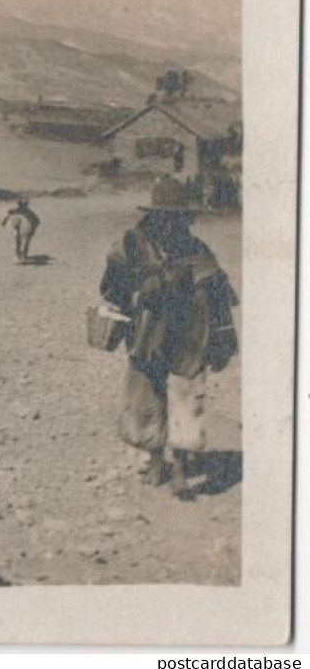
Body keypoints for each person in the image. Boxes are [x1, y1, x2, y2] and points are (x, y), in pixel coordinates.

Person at [98, 177, 238, 499]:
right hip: (146, 335)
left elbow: (219, 297)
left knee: (188, 398)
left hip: (190, 336)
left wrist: (223, 340)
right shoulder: (131, 246)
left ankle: (179, 468)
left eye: (178, 216)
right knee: (147, 396)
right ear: (154, 215)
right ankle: (157, 459)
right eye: (165, 215)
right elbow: (110, 288)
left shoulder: (197, 249)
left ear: (185, 218)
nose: (171, 222)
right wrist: (132, 294)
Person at [1, 198, 40, 263]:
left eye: (24, 205)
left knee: (25, 241)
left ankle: (23, 255)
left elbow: (37, 221)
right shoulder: (16, 211)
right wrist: (5, 221)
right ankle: (18, 255)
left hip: (26, 228)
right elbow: (37, 221)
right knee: (18, 240)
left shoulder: (28, 212)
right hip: (18, 227)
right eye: (22, 204)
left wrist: (33, 229)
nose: (23, 206)